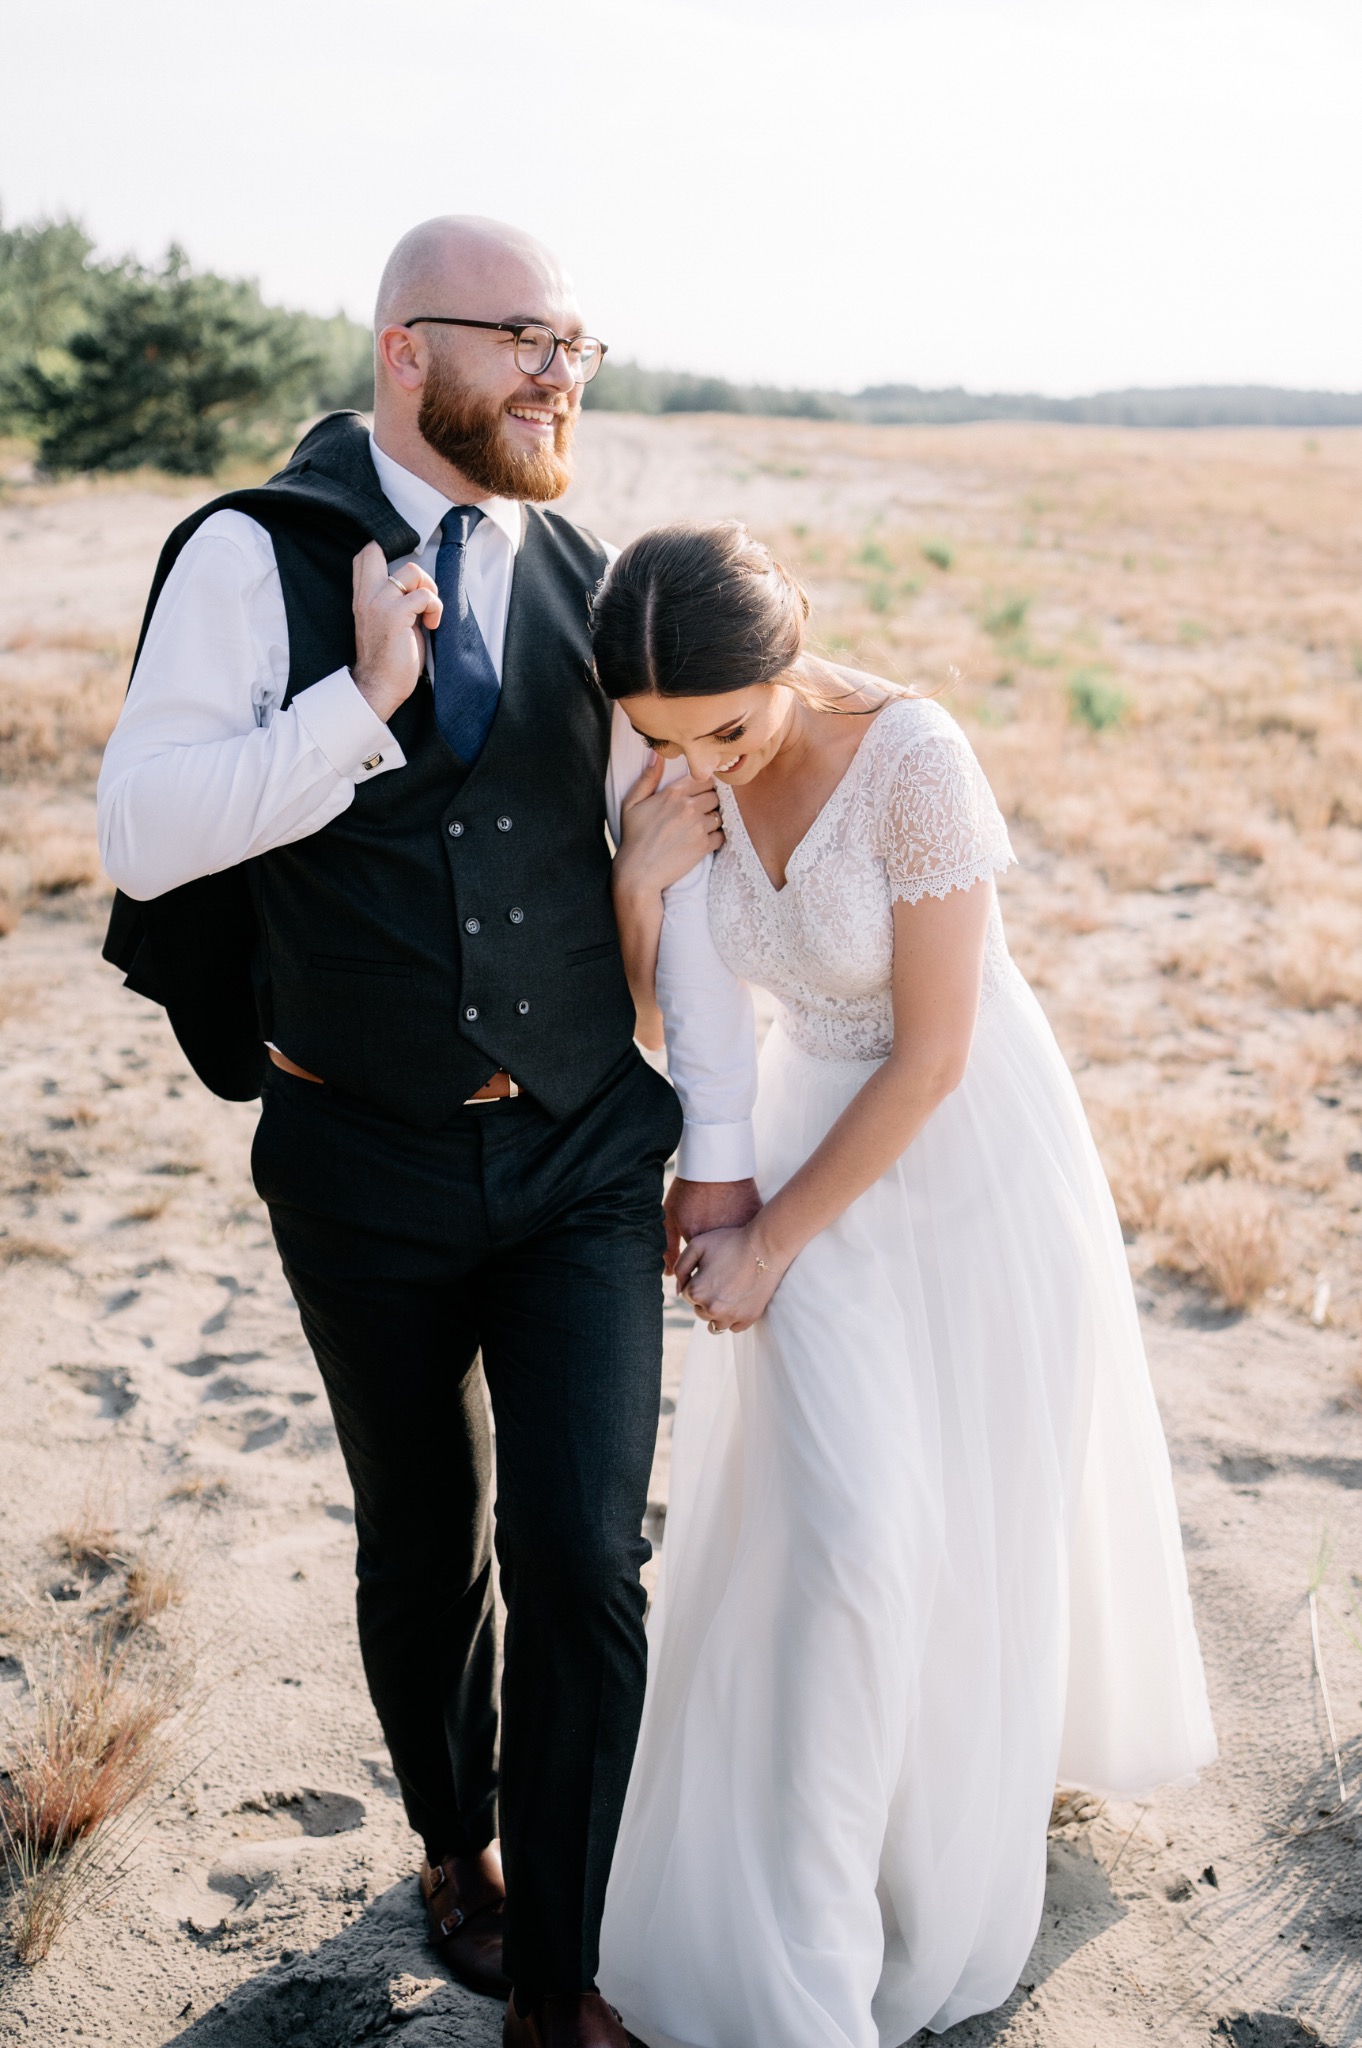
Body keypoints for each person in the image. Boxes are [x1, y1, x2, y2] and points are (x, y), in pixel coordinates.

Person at [97, 220, 755, 2048]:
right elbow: (144, 834)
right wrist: (357, 705)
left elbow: (674, 879)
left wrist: (717, 1143)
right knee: (424, 1537)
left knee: (579, 1556)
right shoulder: (254, 555)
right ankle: (448, 1845)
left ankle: (557, 1977)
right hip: (355, 1156)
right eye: (527, 338)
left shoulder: (589, 571)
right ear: (408, 351)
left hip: (577, 1164)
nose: (562, 372)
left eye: (580, 344)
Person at [591, 522, 1217, 2048]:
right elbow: (684, 1031)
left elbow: (933, 1052)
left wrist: (770, 1238)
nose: (707, 767)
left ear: (791, 650)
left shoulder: (914, 757)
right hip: (803, 1136)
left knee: (964, 1519)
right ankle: (796, 1948)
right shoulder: (668, 762)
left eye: (731, 730)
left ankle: (928, 1831)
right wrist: (638, 883)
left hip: (966, 1161)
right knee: (850, 1535)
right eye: (668, 739)